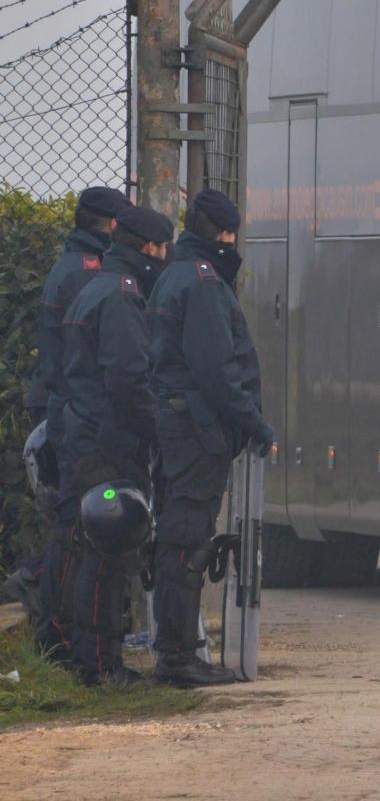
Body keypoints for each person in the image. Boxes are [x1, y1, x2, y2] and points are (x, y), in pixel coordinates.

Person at [148, 188, 274, 688]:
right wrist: (254, 424)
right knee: (186, 541)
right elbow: (218, 369)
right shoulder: (201, 284)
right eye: (229, 235)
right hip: (196, 431)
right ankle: (178, 656)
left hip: (182, 425)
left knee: (180, 537)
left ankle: (176, 650)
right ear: (222, 234)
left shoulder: (176, 274)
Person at [54, 203, 172, 684]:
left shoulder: (97, 287)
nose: (165, 256)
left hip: (85, 433)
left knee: (91, 548)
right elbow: (127, 378)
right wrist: (155, 429)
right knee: (110, 549)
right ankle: (101, 665)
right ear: (148, 248)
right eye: (163, 248)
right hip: (108, 442)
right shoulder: (122, 297)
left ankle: (88, 656)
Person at [7, 186, 129, 640]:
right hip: (73, 406)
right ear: (112, 226)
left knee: (76, 515)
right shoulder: (87, 271)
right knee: (79, 517)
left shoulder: (77, 264)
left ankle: (55, 613)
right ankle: (47, 600)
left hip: (64, 401)